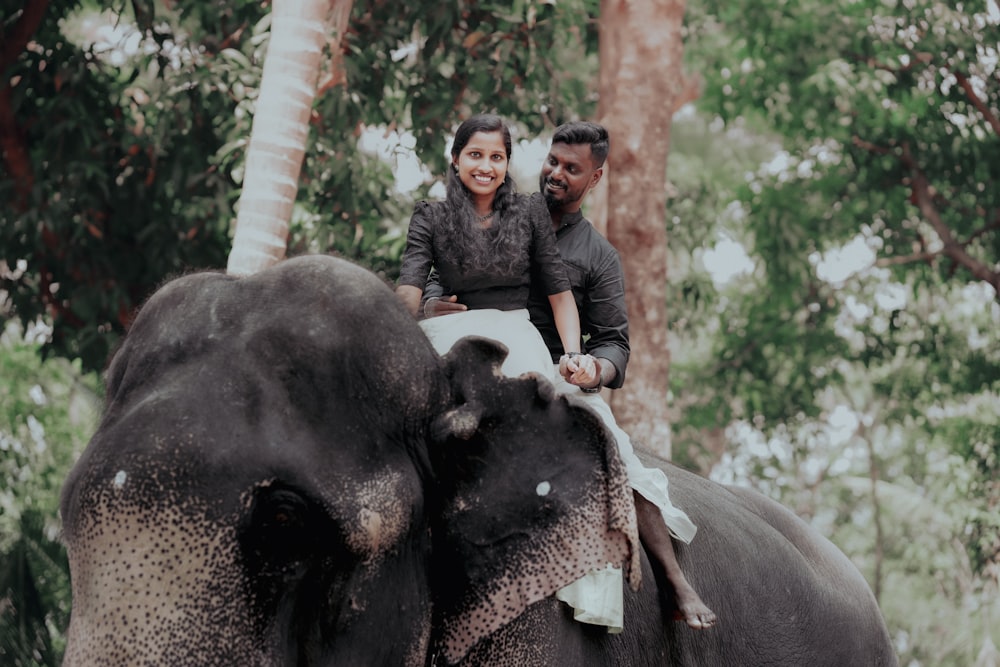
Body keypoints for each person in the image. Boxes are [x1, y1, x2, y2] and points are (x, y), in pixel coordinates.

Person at [423, 121, 717, 630]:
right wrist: (433, 304)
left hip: (550, 374)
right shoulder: (495, 211)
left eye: (572, 169)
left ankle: (673, 582)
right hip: (472, 355)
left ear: (595, 177)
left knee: (614, 449)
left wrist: (591, 366)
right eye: (552, 162)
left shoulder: (599, 256)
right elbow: (437, 272)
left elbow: (615, 345)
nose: (556, 174)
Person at [395, 112, 582, 382]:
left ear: (506, 164)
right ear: (456, 159)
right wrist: (402, 330)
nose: (486, 166)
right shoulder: (430, 216)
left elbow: (560, 295)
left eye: (496, 157)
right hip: (450, 333)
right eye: (475, 155)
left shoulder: (529, 211)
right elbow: (410, 286)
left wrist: (573, 354)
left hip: (515, 335)